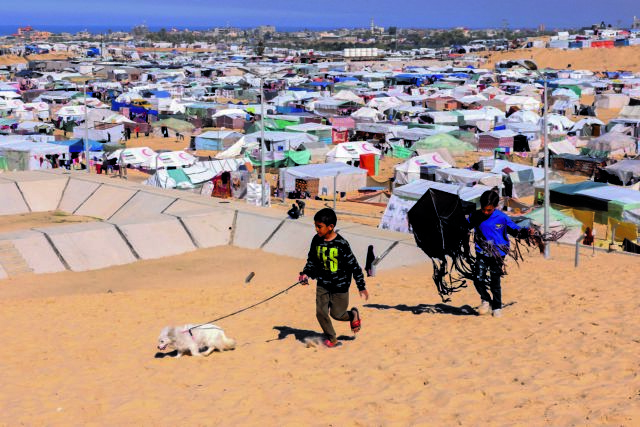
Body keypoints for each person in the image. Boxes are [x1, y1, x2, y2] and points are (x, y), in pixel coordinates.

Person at [298, 208, 369, 348]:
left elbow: (354, 266)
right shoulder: (316, 240)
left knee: (337, 315)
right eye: (315, 226)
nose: (316, 229)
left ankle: (353, 314)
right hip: (322, 284)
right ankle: (332, 338)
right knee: (320, 313)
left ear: (331, 227)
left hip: (340, 286)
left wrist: (361, 286)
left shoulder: (342, 244)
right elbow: (312, 259)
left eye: (319, 226)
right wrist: (305, 273)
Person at [468, 190, 530, 318]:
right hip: (482, 252)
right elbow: (463, 227)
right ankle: (485, 300)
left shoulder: (502, 217)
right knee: (477, 279)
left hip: (498, 253)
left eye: (489, 210)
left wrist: (527, 233)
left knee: (495, 281)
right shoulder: (475, 216)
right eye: (484, 209)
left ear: (495, 207)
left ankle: (496, 307)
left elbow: (515, 231)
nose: (486, 212)